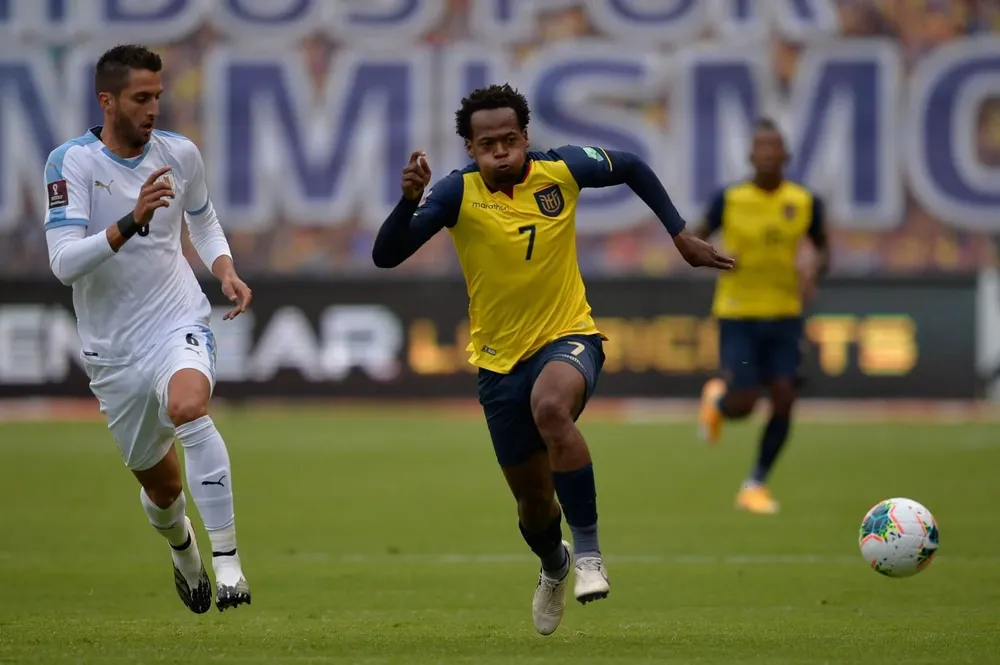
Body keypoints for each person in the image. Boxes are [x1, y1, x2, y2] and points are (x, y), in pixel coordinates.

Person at [372, 83, 733, 636]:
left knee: (551, 408)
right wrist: (408, 202)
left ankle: (588, 554)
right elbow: (386, 256)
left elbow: (632, 165)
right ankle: (555, 562)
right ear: (470, 148)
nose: (501, 152)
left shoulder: (560, 171)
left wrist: (679, 234)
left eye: (509, 140)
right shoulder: (455, 193)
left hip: (570, 336)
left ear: (524, 137)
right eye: (487, 144)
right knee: (534, 506)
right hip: (498, 364)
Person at [43, 44, 253, 613]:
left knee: (189, 407)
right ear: (107, 101)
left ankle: (229, 562)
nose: (154, 108)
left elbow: (203, 220)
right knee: (163, 491)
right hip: (112, 350)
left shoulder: (180, 154)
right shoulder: (72, 163)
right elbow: (64, 263)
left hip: (176, 319)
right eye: (141, 98)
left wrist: (225, 269)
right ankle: (183, 548)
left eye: (158, 96)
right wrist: (131, 220)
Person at [696, 118, 830, 515]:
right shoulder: (729, 199)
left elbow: (823, 248)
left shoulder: (804, 201)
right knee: (744, 403)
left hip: (786, 314)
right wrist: (718, 257)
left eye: (775, 147)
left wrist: (813, 268)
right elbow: (696, 238)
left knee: (785, 396)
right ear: (751, 156)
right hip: (738, 313)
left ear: (785, 155)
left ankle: (755, 483)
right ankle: (718, 401)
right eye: (762, 148)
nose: (768, 154)